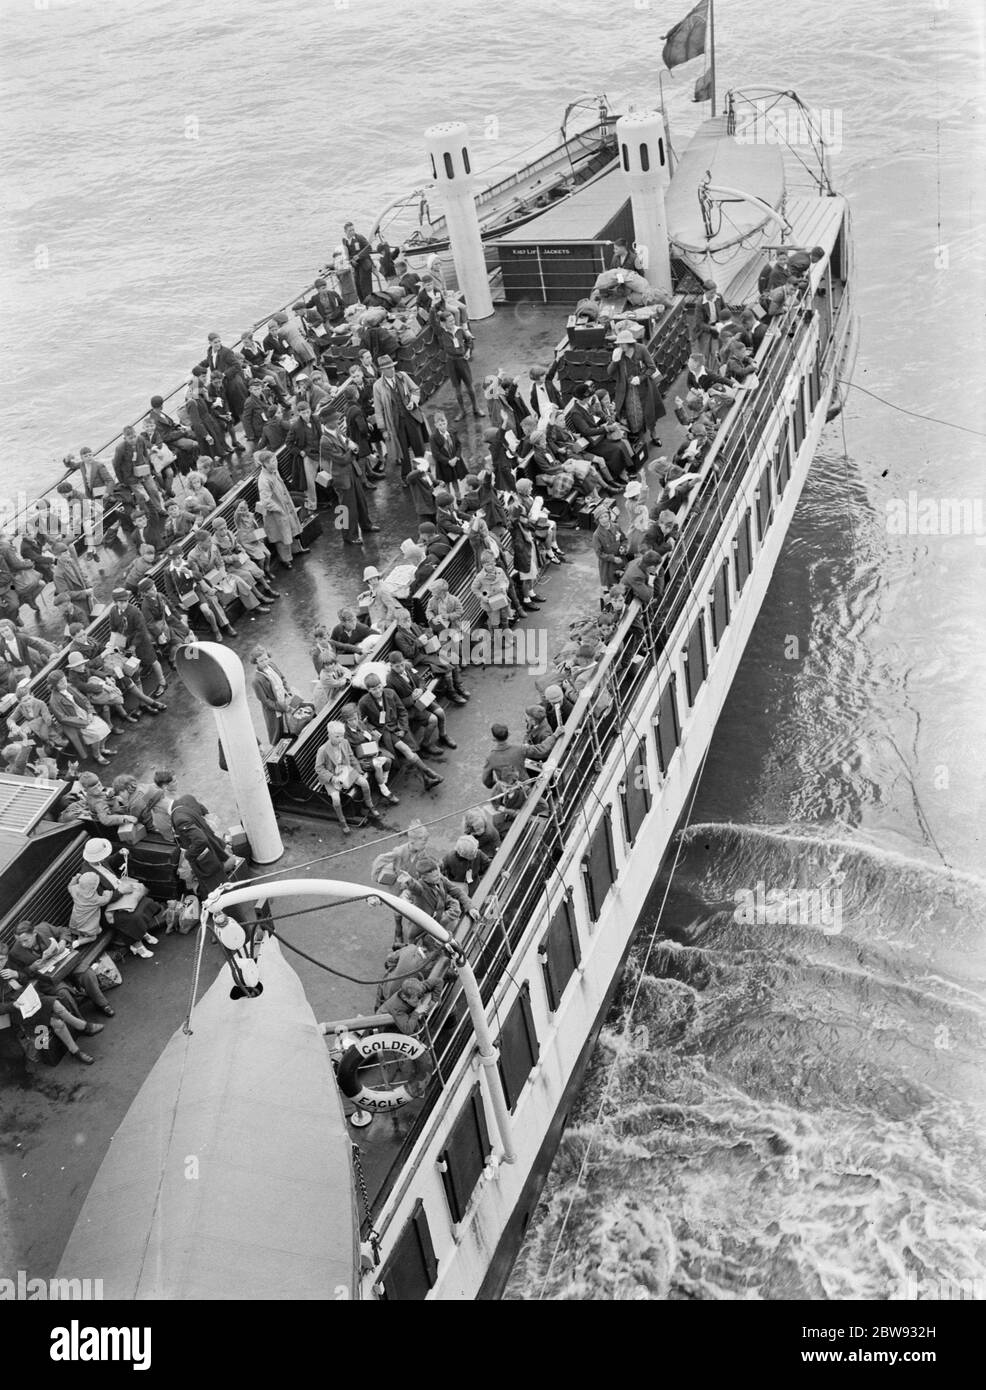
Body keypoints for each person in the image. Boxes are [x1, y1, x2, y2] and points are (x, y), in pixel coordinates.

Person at [0, 958, 102, 1064]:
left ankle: (81, 1029)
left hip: (29, 998)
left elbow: (25, 979)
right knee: (57, 1022)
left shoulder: (8, 965)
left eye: (2, 959)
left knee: (56, 1005)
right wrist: (12, 1005)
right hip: (17, 1010)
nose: (1, 963)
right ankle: (78, 1044)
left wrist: (17, 974)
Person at [356, 673, 443, 791]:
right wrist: (372, 730)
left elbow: (402, 711)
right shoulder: (363, 702)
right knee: (405, 749)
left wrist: (402, 728)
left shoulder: (390, 693)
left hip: (398, 726)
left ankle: (426, 779)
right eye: (373, 689)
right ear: (368, 690)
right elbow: (361, 722)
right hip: (385, 731)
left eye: (379, 687)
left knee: (411, 749)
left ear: (382, 685)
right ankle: (431, 773)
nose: (377, 691)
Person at [314, 720, 383, 834]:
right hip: (332, 777)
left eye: (342, 736)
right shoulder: (323, 750)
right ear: (329, 735)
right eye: (337, 736)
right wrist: (332, 778)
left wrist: (358, 770)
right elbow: (319, 769)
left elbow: (351, 757)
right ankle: (342, 821)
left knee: (364, 783)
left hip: (346, 771)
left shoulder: (345, 742)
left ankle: (369, 804)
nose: (340, 739)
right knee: (336, 799)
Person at [319, 414, 378, 545]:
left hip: (352, 471)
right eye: (334, 419)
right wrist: (352, 450)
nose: (337, 420)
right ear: (327, 423)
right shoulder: (325, 441)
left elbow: (351, 445)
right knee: (345, 508)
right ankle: (348, 536)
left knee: (361, 501)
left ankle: (366, 525)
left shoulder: (338, 432)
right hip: (341, 477)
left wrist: (353, 448)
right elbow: (342, 459)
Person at [371, 356, 427, 482]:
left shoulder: (402, 376)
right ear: (382, 371)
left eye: (392, 366)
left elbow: (416, 389)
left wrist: (413, 401)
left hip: (411, 418)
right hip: (395, 423)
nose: (392, 369)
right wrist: (383, 429)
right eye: (388, 368)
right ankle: (406, 477)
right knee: (403, 452)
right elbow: (378, 410)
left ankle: (423, 473)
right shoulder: (377, 386)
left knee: (419, 447)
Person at [607, 330, 664, 443]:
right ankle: (640, 437)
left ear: (629, 343)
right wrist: (614, 361)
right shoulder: (619, 353)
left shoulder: (641, 349)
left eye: (623, 343)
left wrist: (641, 378)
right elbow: (610, 372)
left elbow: (651, 367)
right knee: (633, 414)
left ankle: (654, 434)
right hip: (627, 389)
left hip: (644, 387)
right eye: (619, 344)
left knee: (649, 412)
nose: (621, 346)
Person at [48, 669, 114, 763]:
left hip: (85, 714)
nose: (64, 683)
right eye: (60, 682)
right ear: (54, 685)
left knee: (104, 727)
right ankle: (97, 755)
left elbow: (84, 699)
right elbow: (63, 719)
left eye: (64, 680)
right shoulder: (53, 701)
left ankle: (102, 748)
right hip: (75, 723)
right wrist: (83, 722)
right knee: (96, 734)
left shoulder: (69, 687)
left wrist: (90, 712)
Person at [256, 451, 308, 566]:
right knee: (282, 537)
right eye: (273, 461)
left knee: (292, 530)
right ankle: (285, 559)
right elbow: (266, 501)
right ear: (265, 464)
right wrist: (279, 509)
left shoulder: (274, 471)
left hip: (286, 508)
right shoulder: (263, 480)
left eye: (276, 460)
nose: (276, 463)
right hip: (276, 514)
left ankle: (297, 550)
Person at [437, 311, 484, 419]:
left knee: (470, 386)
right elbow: (434, 322)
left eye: (453, 320)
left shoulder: (460, 330)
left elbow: (469, 341)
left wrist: (468, 352)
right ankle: (462, 411)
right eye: (450, 321)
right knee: (457, 389)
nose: (453, 322)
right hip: (451, 362)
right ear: (443, 323)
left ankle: (476, 408)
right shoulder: (441, 332)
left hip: (462, 361)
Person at [250, 645, 295, 744]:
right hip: (275, 712)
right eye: (261, 661)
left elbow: (282, 678)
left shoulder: (272, 665)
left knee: (292, 727)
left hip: (285, 700)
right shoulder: (256, 680)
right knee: (280, 734)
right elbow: (266, 702)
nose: (265, 662)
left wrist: (287, 688)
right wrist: (283, 707)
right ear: (256, 661)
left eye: (266, 659)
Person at [427, 411, 467, 499]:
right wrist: (448, 461)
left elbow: (458, 445)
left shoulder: (452, 432)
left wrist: (456, 457)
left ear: (446, 422)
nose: (443, 426)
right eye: (440, 424)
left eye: (444, 423)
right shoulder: (433, 438)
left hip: (455, 462)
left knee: (455, 482)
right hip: (444, 465)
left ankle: (459, 498)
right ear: (436, 425)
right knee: (447, 484)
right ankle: (449, 502)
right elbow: (436, 453)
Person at [471, 550, 513, 630]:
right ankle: (497, 639)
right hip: (490, 604)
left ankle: (508, 636)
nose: (491, 566)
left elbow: (505, 580)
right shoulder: (480, 577)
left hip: (502, 600)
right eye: (488, 565)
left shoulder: (500, 571)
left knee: (505, 618)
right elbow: (474, 588)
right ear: (483, 565)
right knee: (495, 622)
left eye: (492, 563)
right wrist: (482, 597)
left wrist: (504, 587)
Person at [592, 508, 627, 588]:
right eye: (601, 518)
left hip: (621, 560)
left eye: (605, 516)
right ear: (597, 520)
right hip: (608, 566)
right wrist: (613, 559)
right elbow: (599, 554)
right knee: (611, 587)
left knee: (623, 582)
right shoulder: (597, 535)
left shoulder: (616, 527)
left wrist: (623, 547)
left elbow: (624, 539)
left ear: (609, 517)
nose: (604, 519)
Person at [342, 222, 375, 302]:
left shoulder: (359, 238)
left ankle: (370, 303)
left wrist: (359, 256)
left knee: (365, 286)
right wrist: (351, 260)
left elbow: (368, 248)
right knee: (358, 286)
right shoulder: (345, 241)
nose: (352, 232)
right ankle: (363, 303)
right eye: (350, 231)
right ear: (345, 232)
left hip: (364, 265)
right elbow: (347, 254)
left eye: (353, 230)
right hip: (356, 266)